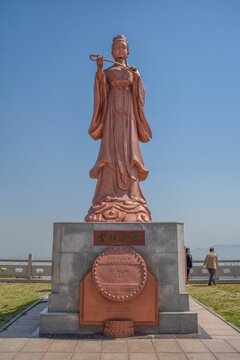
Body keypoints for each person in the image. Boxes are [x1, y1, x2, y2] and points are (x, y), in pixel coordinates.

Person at [85, 35, 152, 223]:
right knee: (111, 150)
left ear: (128, 51)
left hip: (128, 116)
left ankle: (132, 196)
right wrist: (99, 70)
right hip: (112, 115)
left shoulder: (132, 72)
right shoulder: (107, 72)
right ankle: (107, 194)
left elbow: (140, 94)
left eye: (123, 48)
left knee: (128, 150)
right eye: (116, 48)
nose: (120, 51)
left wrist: (137, 79)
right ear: (112, 51)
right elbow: (100, 91)